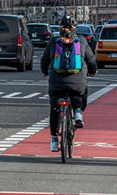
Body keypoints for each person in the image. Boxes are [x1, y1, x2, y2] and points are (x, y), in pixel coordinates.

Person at [40, 14, 97, 152]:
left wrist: (45, 72)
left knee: (55, 109)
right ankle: (78, 112)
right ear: (74, 28)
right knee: (80, 94)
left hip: (56, 82)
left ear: (60, 27)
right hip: (77, 81)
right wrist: (92, 70)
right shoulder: (81, 40)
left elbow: (44, 60)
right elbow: (91, 60)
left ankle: (54, 139)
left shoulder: (54, 41)